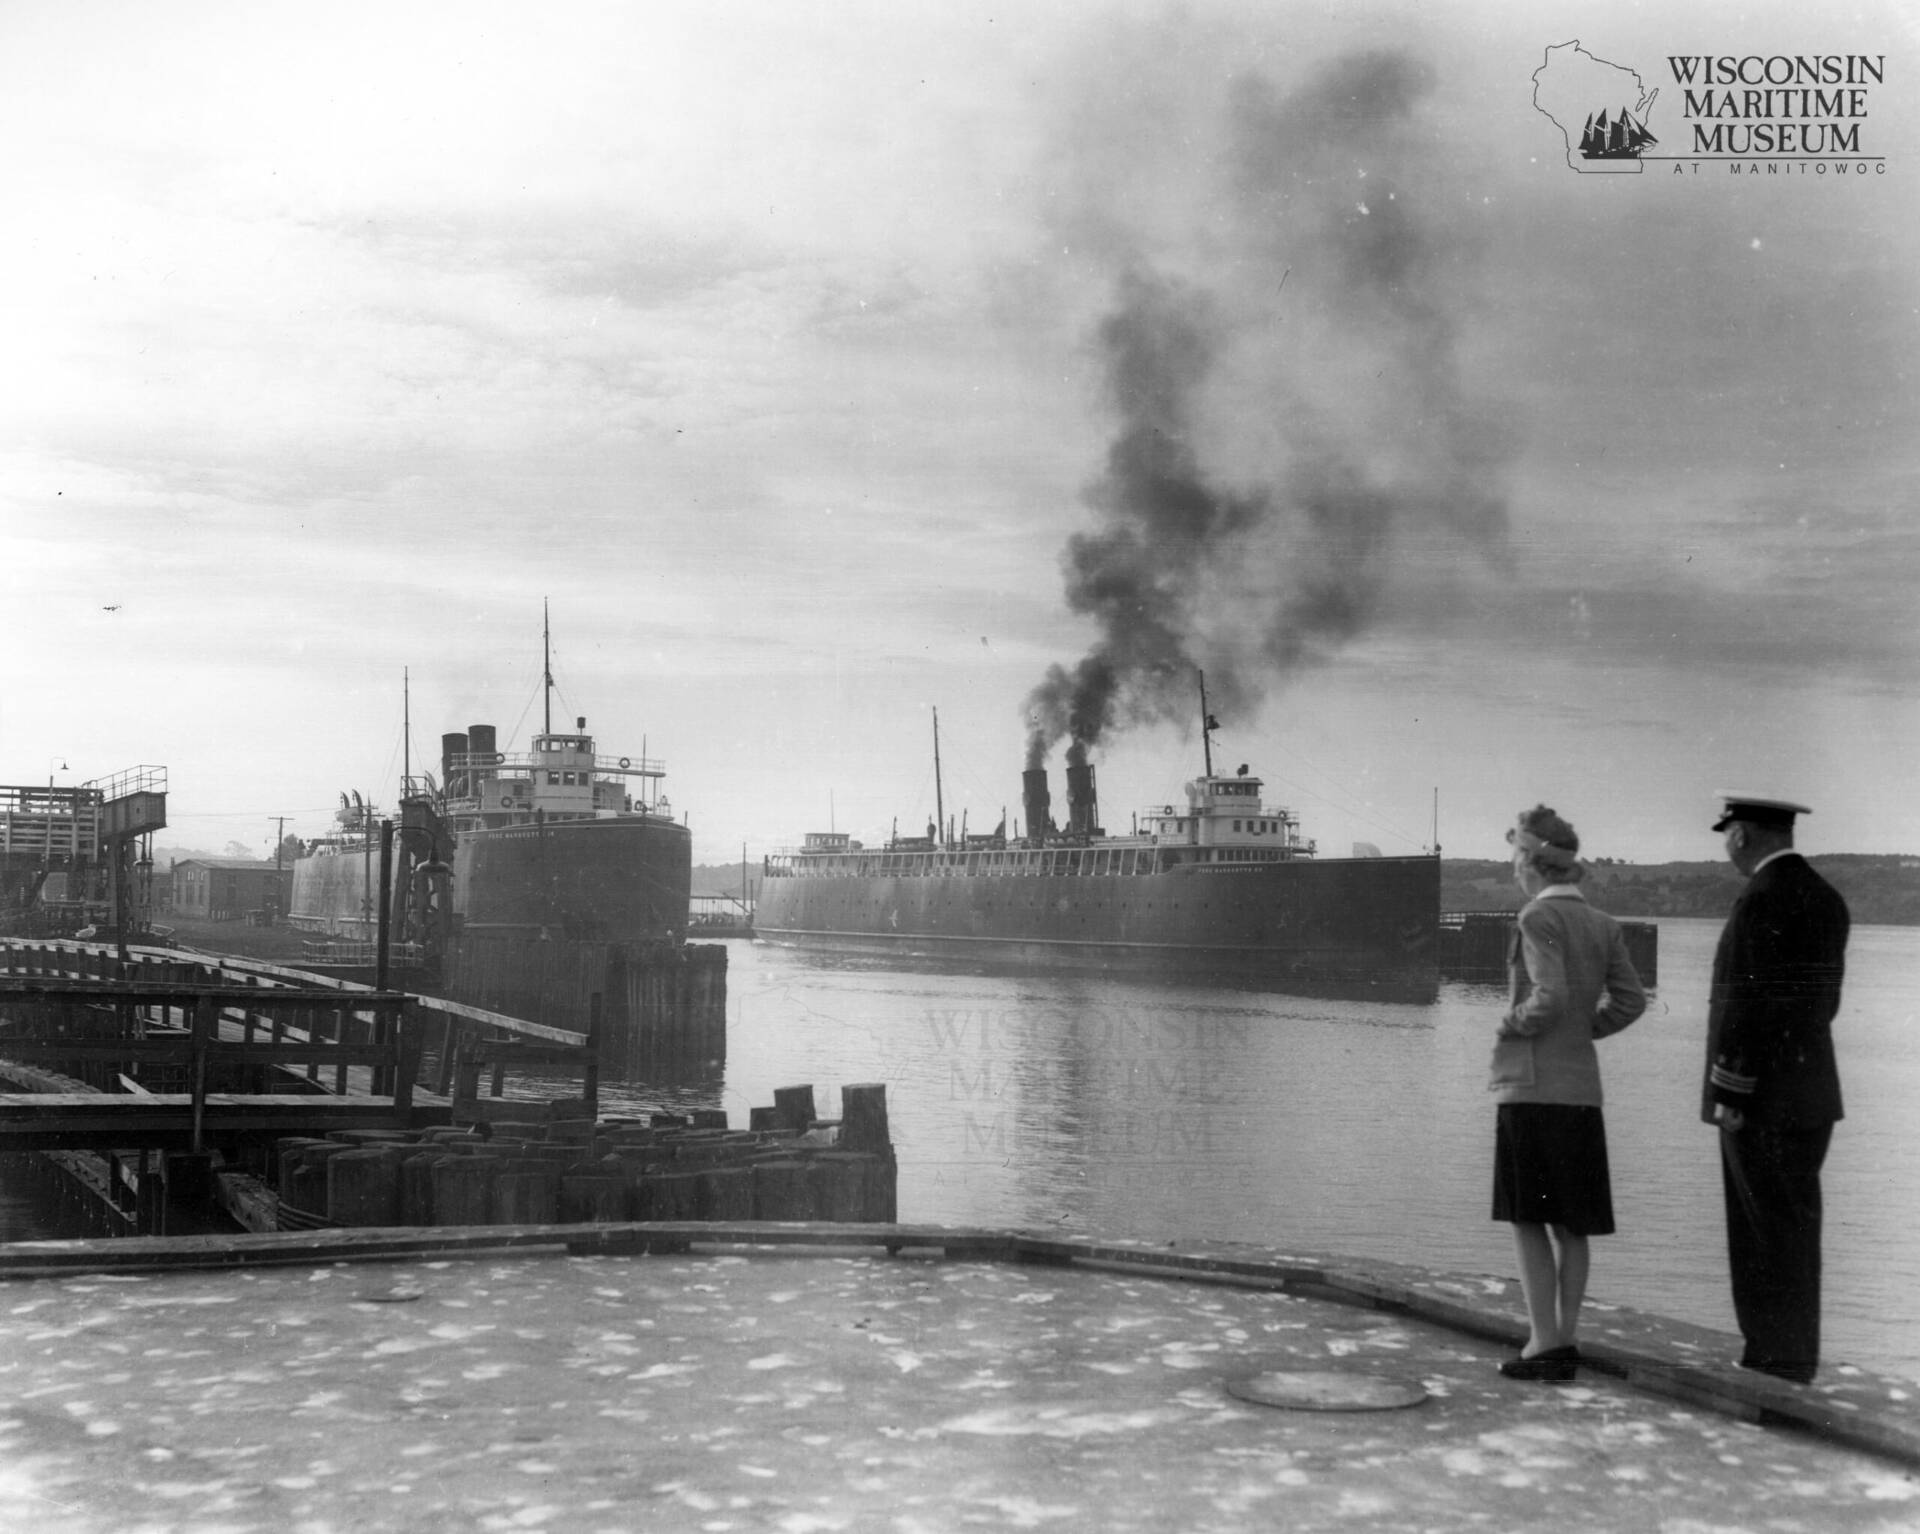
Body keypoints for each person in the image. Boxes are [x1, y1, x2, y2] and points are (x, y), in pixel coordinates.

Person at [1490, 805, 1647, 1382]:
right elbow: (1630, 1002)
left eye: (1514, 856)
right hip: (1582, 1090)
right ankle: (1567, 1337)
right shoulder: (1603, 923)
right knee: (1571, 1225)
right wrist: (1585, 1032)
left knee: (1527, 1218)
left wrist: (1514, 1026)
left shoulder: (1536, 917)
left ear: (1532, 862)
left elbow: (1548, 996)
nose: (1511, 867)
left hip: (1531, 1088)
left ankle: (1542, 1342)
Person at [1703, 793, 1849, 1384]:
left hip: (1760, 1099)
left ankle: (1771, 1361)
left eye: (1728, 832)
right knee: (1796, 1228)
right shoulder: (1826, 897)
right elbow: (1823, 1004)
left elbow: (1747, 1007)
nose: (1726, 843)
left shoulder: (1760, 901)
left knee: (1760, 1230)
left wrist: (1732, 1093)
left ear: (1743, 835)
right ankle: (1795, 1358)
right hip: (1812, 1092)